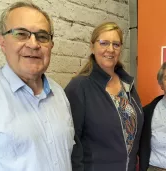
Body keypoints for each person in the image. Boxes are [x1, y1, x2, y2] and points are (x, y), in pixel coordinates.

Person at [0, 1, 74, 171]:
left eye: (42, 36)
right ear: (2, 42)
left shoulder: (59, 95)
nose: (34, 44)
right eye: (21, 34)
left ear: (51, 46)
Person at [64, 21, 144, 171]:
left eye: (116, 44)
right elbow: (72, 143)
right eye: (104, 43)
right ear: (92, 46)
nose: (110, 49)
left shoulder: (127, 84)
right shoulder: (79, 87)